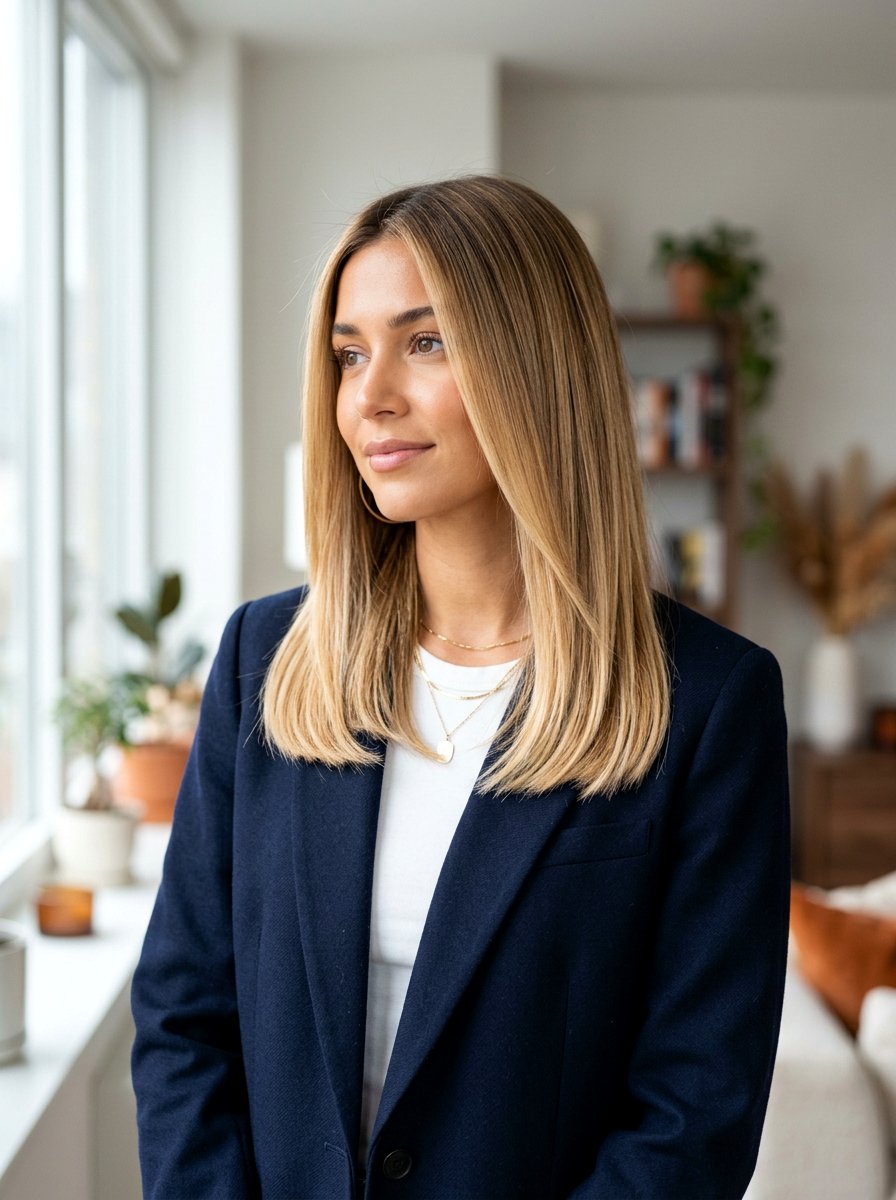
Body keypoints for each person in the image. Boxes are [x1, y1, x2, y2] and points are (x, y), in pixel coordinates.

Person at [131, 175, 790, 1200]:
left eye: (425, 342)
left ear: (538, 365)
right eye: (350, 353)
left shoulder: (708, 702)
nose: (370, 396)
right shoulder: (264, 660)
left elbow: (693, 1110)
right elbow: (182, 1021)